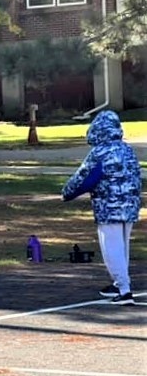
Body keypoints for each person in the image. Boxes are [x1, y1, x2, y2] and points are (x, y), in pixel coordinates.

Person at [62, 110, 141, 305]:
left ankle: (124, 290)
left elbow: (84, 178)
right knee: (123, 247)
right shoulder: (127, 149)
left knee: (111, 248)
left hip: (108, 206)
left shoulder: (100, 152)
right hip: (129, 205)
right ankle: (120, 283)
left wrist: (66, 193)